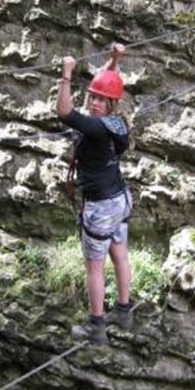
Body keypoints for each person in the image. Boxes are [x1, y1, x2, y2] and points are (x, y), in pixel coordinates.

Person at [57, 43, 133, 345]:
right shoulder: (118, 123)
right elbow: (108, 85)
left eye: (101, 100)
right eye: (93, 97)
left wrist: (66, 75)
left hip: (101, 206)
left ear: (111, 104)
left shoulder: (96, 128)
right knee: (120, 255)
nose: (95, 102)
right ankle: (124, 312)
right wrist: (114, 60)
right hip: (120, 199)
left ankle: (96, 326)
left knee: (94, 267)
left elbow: (63, 111)